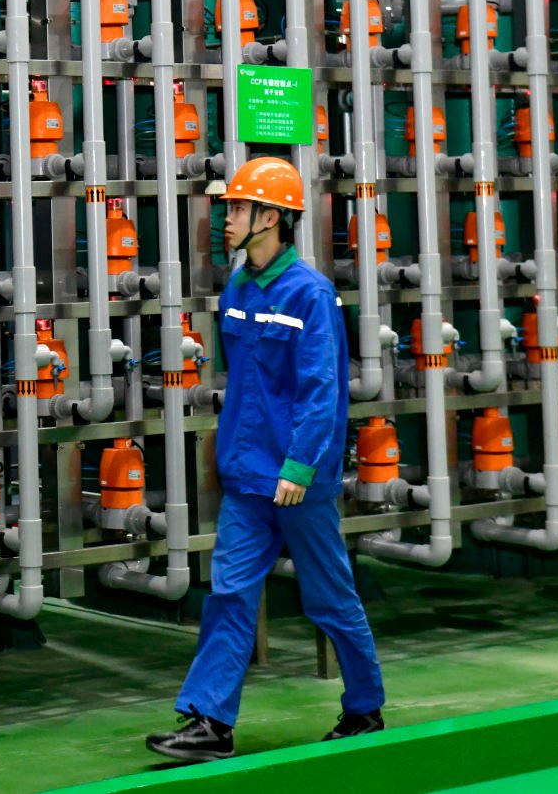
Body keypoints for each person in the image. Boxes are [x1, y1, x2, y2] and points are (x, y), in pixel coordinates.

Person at [144, 155, 385, 764]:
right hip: (248, 476)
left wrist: (299, 467)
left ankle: (365, 708)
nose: (226, 219)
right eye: (228, 208)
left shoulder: (311, 294)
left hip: (299, 479)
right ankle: (209, 721)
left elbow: (321, 390)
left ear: (272, 217)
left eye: (238, 208)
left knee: (329, 597)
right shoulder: (238, 288)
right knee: (229, 594)